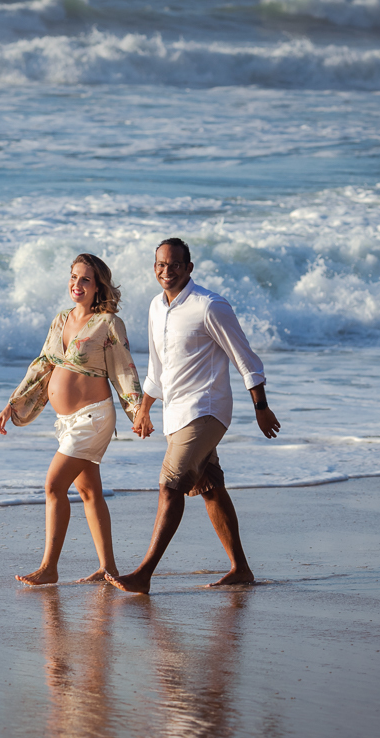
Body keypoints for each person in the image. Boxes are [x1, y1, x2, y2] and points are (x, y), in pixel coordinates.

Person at [106, 237, 280, 594]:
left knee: (170, 486)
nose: (165, 271)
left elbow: (246, 359)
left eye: (173, 265)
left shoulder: (210, 306)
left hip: (207, 409)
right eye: (159, 265)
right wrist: (144, 408)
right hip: (176, 412)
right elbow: (158, 366)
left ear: (189, 268)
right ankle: (241, 569)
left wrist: (261, 407)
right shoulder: (156, 307)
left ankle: (143, 575)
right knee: (211, 488)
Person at [0, 253, 143, 585]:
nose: (77, 285)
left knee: (53, 486)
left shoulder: (108, 323)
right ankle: (109, 568)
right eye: (74, 277)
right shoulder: (61, 319)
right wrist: (12, 403)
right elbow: (42, 365)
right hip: (66, 422)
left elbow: (124, 369)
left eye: (85, 280)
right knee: (90, 492)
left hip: (93, 417)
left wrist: (138, 412)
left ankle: (49, 568)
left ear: (97, 286)